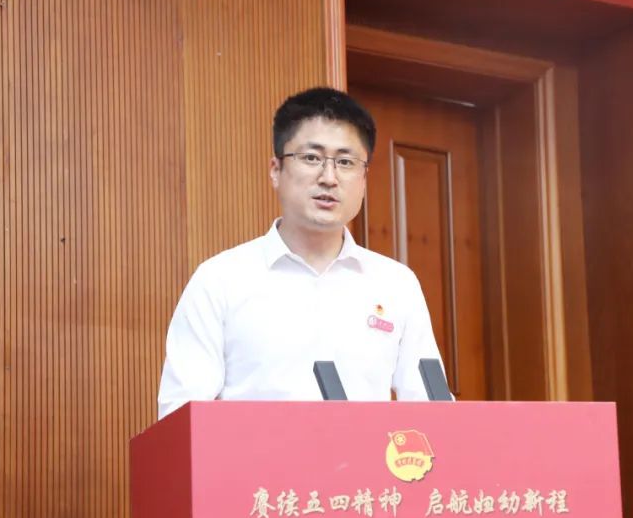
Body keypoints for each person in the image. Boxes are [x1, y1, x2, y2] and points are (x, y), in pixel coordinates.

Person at [157, 87, 443, 419]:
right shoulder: (221, 280)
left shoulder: (396, 284)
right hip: (254, 454)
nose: (329, 178)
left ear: (364, 178)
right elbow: (181, 416)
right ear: (275, 170)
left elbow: (433, 410)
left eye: (346, 162)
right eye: (311, 158)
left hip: (368, 455)